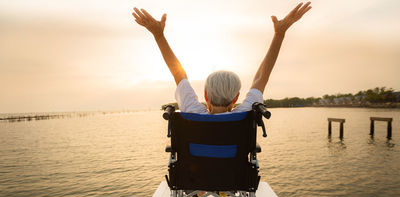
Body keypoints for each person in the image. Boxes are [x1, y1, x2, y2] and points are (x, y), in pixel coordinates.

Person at [132, 2, 312, 114]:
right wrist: (279, 34)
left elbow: (177, 72)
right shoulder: (245, 111)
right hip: (236, 177)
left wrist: (159, 36)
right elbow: (261, 78)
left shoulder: (192, 111)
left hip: (196, 177)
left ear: (205, 95)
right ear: (236, 98)